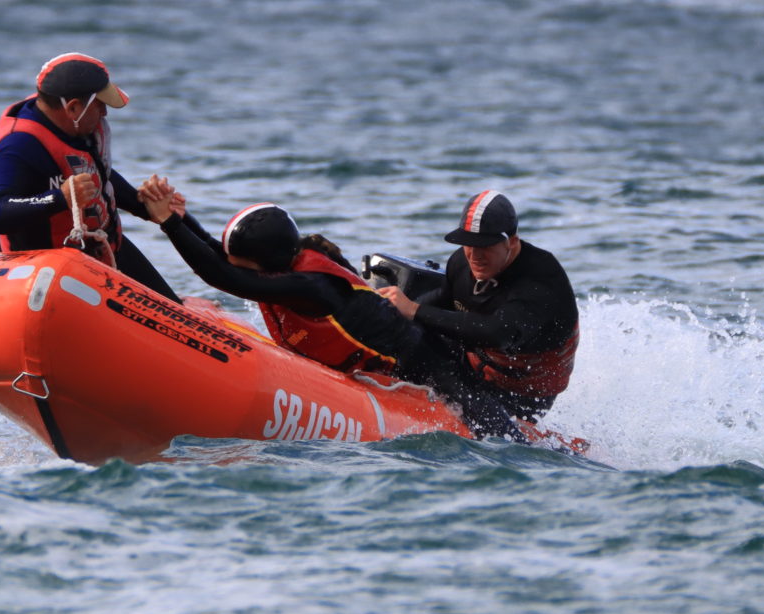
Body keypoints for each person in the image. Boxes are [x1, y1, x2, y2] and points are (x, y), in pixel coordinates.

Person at [139, 181, 417, 376]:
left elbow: (225, 276)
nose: (235, 267)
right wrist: (181, 218)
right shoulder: (285, 261)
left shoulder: (310, 286)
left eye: (242, 265)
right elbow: (222, 260)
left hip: (418, 364)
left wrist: (169, 223)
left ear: (264, 265)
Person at [0, 52, 182, 299]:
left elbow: (97, 175)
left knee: (171, 307)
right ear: (73, 107)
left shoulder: (77, 125)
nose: (105, 113)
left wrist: (145, 206)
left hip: (104, 251)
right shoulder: (19, 145)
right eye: (99, 104)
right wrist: (59, 198)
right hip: (48, 273)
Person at [377, 190, 579, 437]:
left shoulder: (541, 280)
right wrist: (390, 312)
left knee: (423, 339)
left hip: (522, 396)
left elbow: (496, 333)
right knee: (409, 333)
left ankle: (512, 436)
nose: (475, 255)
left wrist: (414, 309)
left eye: (485, 245)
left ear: (512, 242)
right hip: (474, 363)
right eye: (469, 244)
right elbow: (439, 304)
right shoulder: (462, 262)